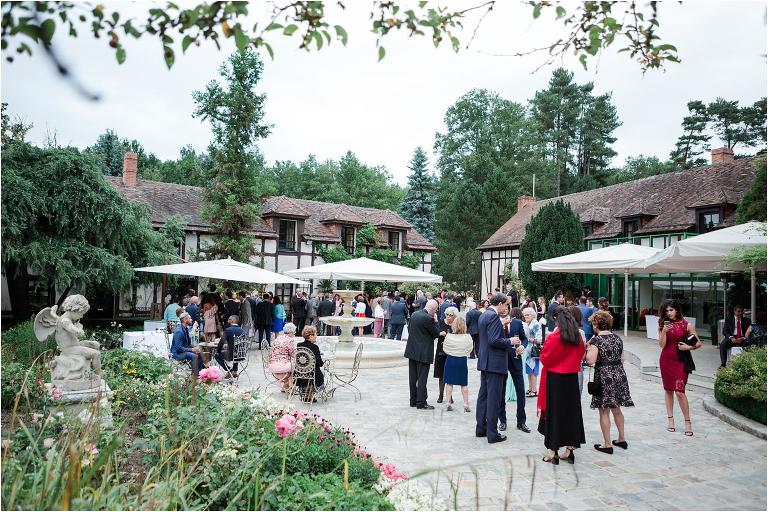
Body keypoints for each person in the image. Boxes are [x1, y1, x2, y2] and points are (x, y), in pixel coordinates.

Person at [537, 306, 586, 465]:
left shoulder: (554, 338)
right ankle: (569, 450)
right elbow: (580, 356)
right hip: (571, 379)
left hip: (555, 380)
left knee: (554, 414)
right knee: (571, 414)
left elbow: (545, 358)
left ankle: (552, 451)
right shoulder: (577, 337)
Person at [585, 310, 634, 454]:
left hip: (604, 376)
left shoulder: (596, 340)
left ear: (596, 324)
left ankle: (607, 444)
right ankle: (621, 438)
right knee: (617, 408)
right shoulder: (617, 338)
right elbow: (622, 358)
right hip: (619, 374)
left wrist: (588, 349)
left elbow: (590, 360)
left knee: (604, 410)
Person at [658, 299, 701, 437]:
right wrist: (664, 331)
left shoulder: (686, 325)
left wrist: (689, 347)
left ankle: (688, 422)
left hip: (681, 361)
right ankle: (670, 420)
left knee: (680, 391)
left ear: (676, 310)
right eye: (667, 310)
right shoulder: (663, 325)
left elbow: (698, 342)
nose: (669, 313)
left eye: (671, 310)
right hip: (666, 359)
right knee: (668, 390)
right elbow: (662, 345)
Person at [475, 293, 513, 444]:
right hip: (494, 363)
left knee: (483, 396)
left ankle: (481, 428)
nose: (506, 308)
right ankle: (492, 433)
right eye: (506, 304)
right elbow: (494, 340)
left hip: (485, 361)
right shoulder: (493, 317)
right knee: (493, 398)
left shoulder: (484, 315)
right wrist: (510, 340)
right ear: (500, 303)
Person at [404, 299, 442, 409]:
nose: (435, 312)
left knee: (413, 377)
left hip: (412, 351)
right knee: (422, 378)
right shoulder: (428, 318)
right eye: (435, 310)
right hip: (423, 352)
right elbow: (435, 333)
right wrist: (436, 322)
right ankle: (421, 402)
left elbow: (410, 328)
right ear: (432, 309)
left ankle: (413, 400)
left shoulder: (415, 314)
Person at [499, 306, 529, 433]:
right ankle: (502, 421)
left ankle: (521, 422)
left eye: (507, 307)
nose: (505, 309)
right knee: (501, 390)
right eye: (503, 307)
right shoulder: (496, 322)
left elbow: (524, 338)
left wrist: (522, 346)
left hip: (516, 359)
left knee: (521, 391)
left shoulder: (517, 323)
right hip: (501, 360)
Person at [443, 314, 473, 412]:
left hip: (451, 359)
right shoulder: (468, 337)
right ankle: (465, 403)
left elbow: (445, 349)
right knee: (464, 383)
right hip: (462, 360)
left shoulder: (449, 336)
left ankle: (448, 402)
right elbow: (470, 349)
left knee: (449, 382)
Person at [296, 326, 324, 402]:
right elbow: (320, 363)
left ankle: (306, 394)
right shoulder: (315, 347)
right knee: (321, 371)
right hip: (313, 376)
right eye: (315, 334)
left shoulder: (299, 345)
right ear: (310, 336)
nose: (316, 336)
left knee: (311, 370)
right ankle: (310, 395)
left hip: (301, 374)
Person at [269, 322, 296, 392]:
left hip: (272, 364)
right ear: (291, 332)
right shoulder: (290, 340)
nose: (294, 334)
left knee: (290, 362)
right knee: (296, 364)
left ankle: (285, 385)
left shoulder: (278, 337)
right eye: (294, 332)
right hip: (282, 366)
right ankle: (291, 386)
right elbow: (292, 353)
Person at [215, 315, 245, 379]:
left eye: (229, 319)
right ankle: (235, 370)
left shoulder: (228, 330)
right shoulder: (242, 331)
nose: (227, 320)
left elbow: (221, 343)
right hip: (241, 354)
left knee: (217, 356)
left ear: (232, 321)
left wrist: (218, 351)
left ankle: (230, 370)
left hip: (231, 355)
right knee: (236, 351)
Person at [522, 307, 543, 397]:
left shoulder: (536, 324)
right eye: (525, 315)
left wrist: (529, 339)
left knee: (533, 370)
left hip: (534, 351)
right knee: (529, 370)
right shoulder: (528, 323)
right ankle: (530, 388)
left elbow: (539, 339)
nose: (526, 316)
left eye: (528, 315)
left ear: (533, 315)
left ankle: (534, 390)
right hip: (527, 350)